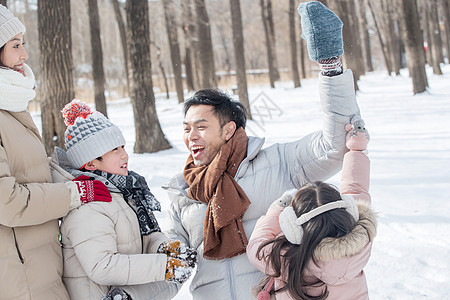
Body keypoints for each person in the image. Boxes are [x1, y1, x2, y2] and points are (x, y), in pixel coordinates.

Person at [163, 1, 364, 299]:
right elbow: (172, 262)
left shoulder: (278, 161)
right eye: (186, 128)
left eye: (201, 126)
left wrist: (330, 65)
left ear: (228, 130)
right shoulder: (183, 190)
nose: (191, 136)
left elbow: (334, 144)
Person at [0, 5, 111, 299]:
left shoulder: (11, 108)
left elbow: (31, 172)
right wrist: (74, 194)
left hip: (40, 266)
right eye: (15, 45)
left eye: (23, 44)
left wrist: (88, 170)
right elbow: (7, 203)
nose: (24, 55)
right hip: (19, 278)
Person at [50, 99, 197, 300]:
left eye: (122, 147)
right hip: (99, 296)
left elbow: (144, 239)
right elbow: (102, 266)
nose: (124, 155)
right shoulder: (88, 205)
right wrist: (164, 266)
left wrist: (163, 247)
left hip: (128, 292)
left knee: (175, 278)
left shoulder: (125, 191)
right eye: (114, 150)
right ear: (91, 163)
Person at [247, 121, 376, 300]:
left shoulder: (286, 259)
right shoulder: (359, 245)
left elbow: (256, 246)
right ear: (348, 211)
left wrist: (275, 212)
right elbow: (356, 190)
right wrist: (357, 150)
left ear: (293, 227)